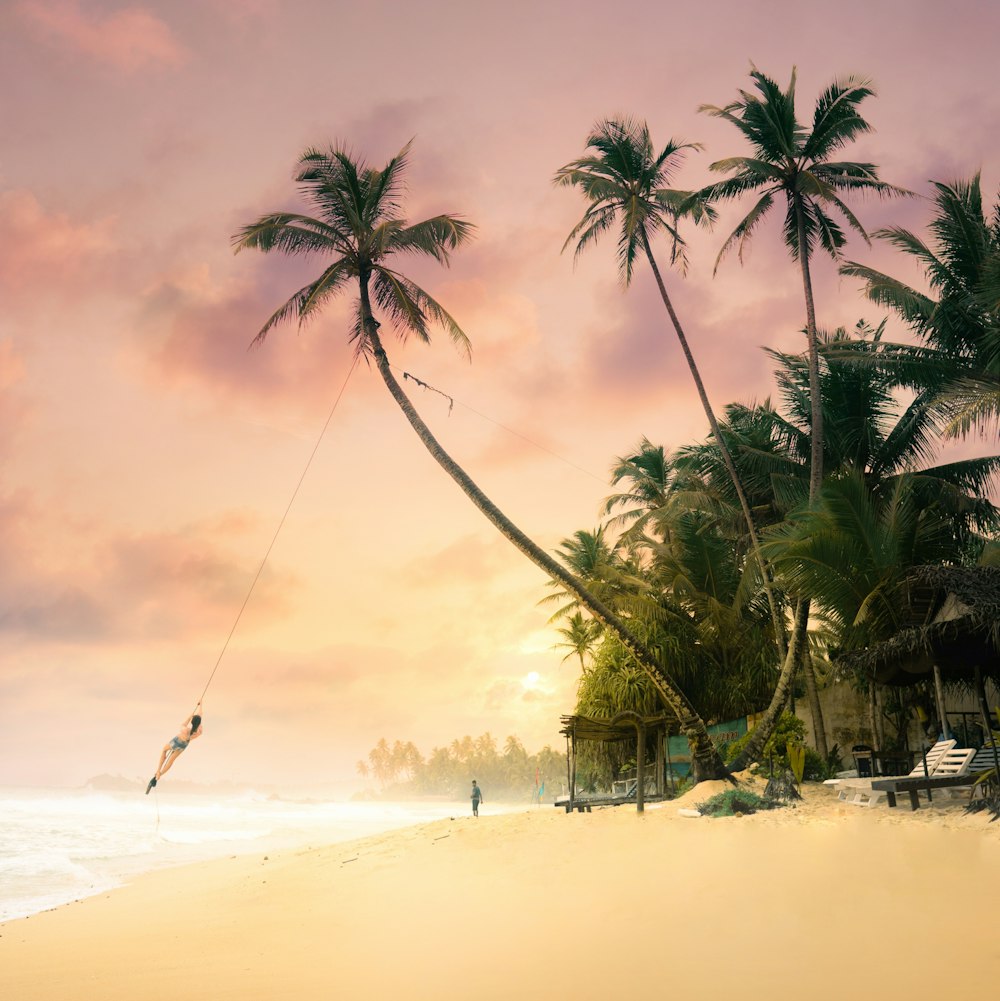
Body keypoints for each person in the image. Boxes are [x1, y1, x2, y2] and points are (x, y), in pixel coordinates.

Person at [146, 703, 204, 794]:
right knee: (171, 761)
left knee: (164, 750)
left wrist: (189, 718)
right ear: (199, 723)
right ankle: (159, 775)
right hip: (184, 745)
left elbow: (183, 724)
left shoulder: (185, 730)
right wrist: (201, 705)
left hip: (177, 741)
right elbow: (200, 716)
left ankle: (158, 770)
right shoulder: (199, 732)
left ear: (192, 722)